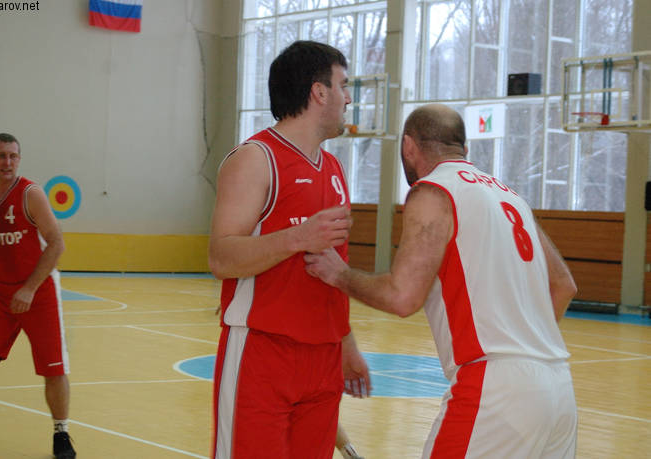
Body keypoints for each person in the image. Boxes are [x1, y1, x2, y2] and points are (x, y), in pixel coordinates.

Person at [305, 104, 578, 458]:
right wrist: (525, 344)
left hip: (496, 389)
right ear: (464, 149)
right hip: (558, 387)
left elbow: (402, 297)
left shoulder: (433, 191)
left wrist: (338, 274)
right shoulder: (510, 196)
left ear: (408, 146)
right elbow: (564, 285)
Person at [208, 40, 371, 459]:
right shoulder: (255, 159)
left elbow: (334, 270)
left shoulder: (333, 168)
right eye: (343, 85)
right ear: (319, 92)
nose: (348, 97)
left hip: (324, 358)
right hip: (263, 353)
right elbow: (221, 258)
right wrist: (298, 237)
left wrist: (346, 343)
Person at [0, 133, 76, 459]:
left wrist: (30, 288)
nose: (7, 162)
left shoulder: (31, 194)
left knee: (53, 368)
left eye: (13, 155)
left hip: (39, 291)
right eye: (1, 155)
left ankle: (61, 434)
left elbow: (56, 243)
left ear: (19, 159)